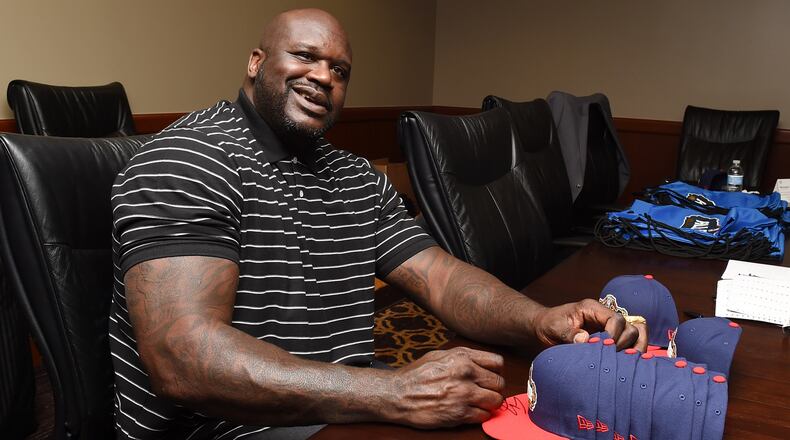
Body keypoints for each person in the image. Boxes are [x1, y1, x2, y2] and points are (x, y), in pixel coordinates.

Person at [109, 8, 647, 439]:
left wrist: (540, 320)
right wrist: (392, 392)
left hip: (344, 404)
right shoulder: (188, 159)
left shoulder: (355, 176)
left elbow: (441, 277)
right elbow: (183, 359)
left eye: (340, 71)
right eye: (304, 56)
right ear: (256, 62)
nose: (323, 76)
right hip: (229, 426)